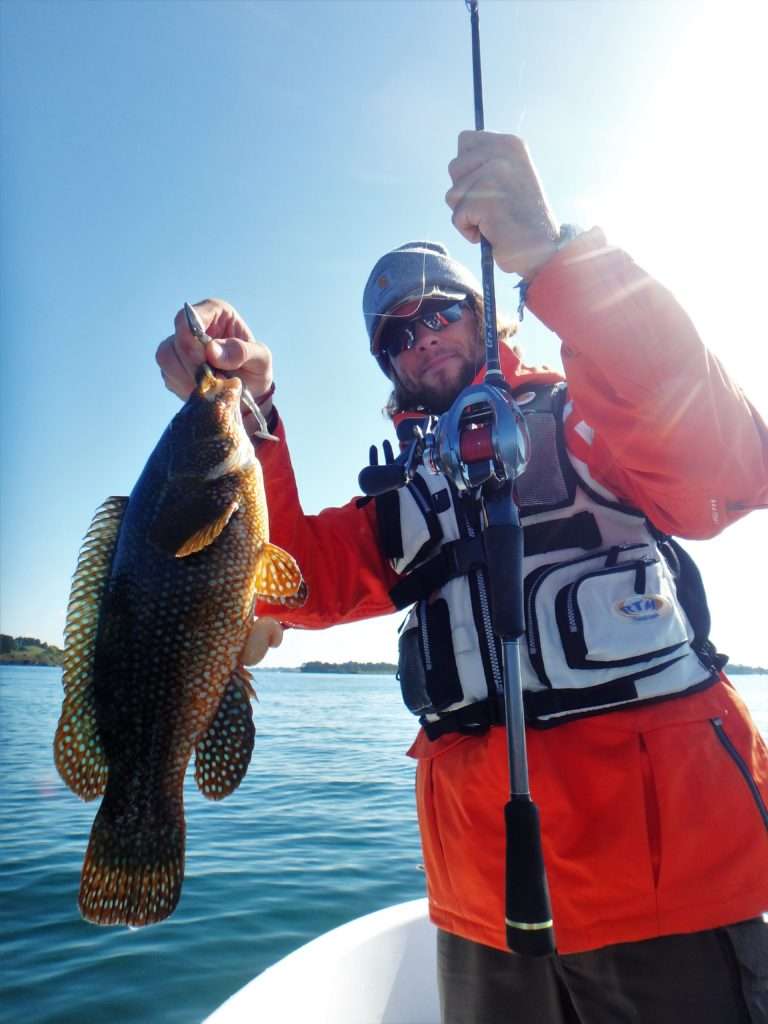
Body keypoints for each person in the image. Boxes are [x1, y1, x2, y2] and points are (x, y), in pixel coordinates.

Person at [157, 131, 768, 1023]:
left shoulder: (592, 413)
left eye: (438, 312)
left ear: (484, 314)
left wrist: (554, 257)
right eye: (396, 336)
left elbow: (730, 465)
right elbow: (286, 579)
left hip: (673, 891)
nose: (421, 339)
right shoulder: (402, 500)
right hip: (481, 910)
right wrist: (248, 400)